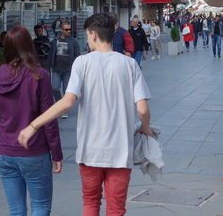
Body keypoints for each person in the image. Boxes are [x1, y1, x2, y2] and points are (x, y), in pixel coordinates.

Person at [17, 13, 153, 216]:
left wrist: (33, 125)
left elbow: (67, 102)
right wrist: (145, 127)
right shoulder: (129, 64)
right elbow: (142, 109)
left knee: (90, 202)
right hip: (120, 152)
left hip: (90, 152)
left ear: (93, 34)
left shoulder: (82, 63)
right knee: (116, 209)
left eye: (88, 35)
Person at [0, 26, 63, 216]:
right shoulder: (39, 75)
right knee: (41, 207)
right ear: (29, 45)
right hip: (35, 151)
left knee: (16, 210)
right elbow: (48, 118)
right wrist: (57, 154)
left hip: (4, 153)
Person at [48, 22, 81, 118]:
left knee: (67, 90)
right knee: (55, 88)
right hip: (56, 69)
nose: (69, 31)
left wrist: (76, 68)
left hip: (68, 70)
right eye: (66, 29)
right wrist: (48, 67)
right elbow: (51, 55)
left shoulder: (73, 41)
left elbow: (77, 55)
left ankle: (64, 110)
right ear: (61, 30)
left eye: (70, 29)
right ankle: (60, 105)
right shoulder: (55, 41)